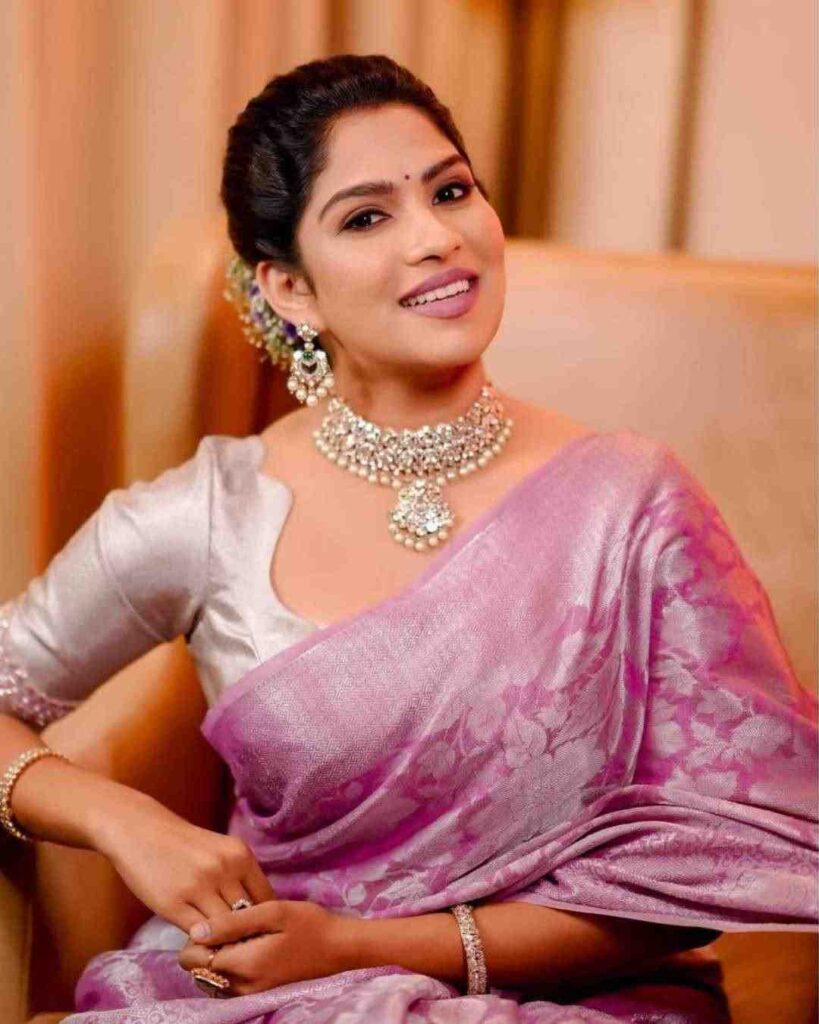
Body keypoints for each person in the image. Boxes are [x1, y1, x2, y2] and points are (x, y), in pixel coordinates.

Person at [1, 54, 816, 1023]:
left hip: (582, 1002)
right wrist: (124, 820)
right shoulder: (207, 516)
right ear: (290, 289)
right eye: (366, 217)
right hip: (258, 996)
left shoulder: (631, 503)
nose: (436, 237)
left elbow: (708, 862)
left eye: (451, 190)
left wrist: (362, 949)